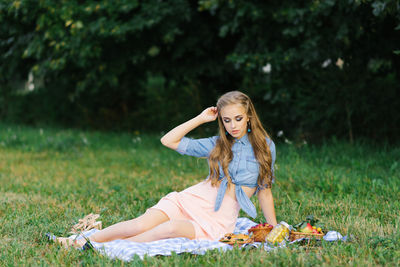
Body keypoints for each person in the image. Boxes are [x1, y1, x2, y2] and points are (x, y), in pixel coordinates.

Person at [56, 91, 277, 249]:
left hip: (217, 219)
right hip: (192, 199)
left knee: (170, 229)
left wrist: (274, 227)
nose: (233, 125)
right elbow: (168, 140)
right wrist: (200, 118)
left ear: (249, 116)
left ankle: (106, 247)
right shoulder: (218, 143)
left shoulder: (266, 147)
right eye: (227, 120)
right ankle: (82, 241)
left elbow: (264, 191)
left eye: (238, 119)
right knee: (140, 223)